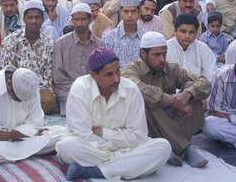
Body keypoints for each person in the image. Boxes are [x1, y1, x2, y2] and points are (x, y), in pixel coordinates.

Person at [57, 48, 172, 180]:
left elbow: (138, 135)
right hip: (97, 150)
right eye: (109, 74)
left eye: (118, 71)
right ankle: (128, 167)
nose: (116, 79)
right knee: (68, 147)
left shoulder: (131, 90)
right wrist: (115, 150)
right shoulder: (80, 89)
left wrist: (102, 133)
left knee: (163, 147)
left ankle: (96, 171)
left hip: (119, 150)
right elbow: (81, 135)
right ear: (93, 76)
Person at [122, 32, 211, 168]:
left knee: (194, 92)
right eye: (156, 55)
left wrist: (187, 94)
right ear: (143, 55)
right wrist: (171, 100)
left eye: (164, 54)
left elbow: (205, 83)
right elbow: (136, 87)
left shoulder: (171, 68)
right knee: (147, 101)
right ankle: (185, 149)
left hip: (171, 120)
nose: (162, 59)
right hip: (148, 126)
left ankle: (169, 147)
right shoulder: (131, 69)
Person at [0, 66, 65, 163]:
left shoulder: (30, 85)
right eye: (18, 99)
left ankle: (16, 153)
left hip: (19, 138)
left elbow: (36, 123)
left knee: (62, 132)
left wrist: (11, 135)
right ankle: (31, 151)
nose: (20, 102)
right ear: (8, 84)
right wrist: (24, 133)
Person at [53, 3, 103, 116]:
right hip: (67, 92)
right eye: (76, 20)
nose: (79, 23)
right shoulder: (61, 43)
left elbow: (101, 76)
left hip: (92, 91)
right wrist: (78, 90)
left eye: (83, 19)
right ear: (72, 20)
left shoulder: (99, 45)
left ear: (90, 19)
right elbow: (59, 79)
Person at [167, 13, 217, 81]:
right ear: (175, 31)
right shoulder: (166, 49)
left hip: (197, 90)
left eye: (191, 32)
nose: (187, 36)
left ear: (196, 33)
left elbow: (212, 76)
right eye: (183, 31)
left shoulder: (203, 49)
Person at [103, 0, 145, 68]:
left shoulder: (145, 37)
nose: (129, 15)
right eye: (126, 11)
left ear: (139, 12)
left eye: (133, 11)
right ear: (120, 12)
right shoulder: (110, 38)